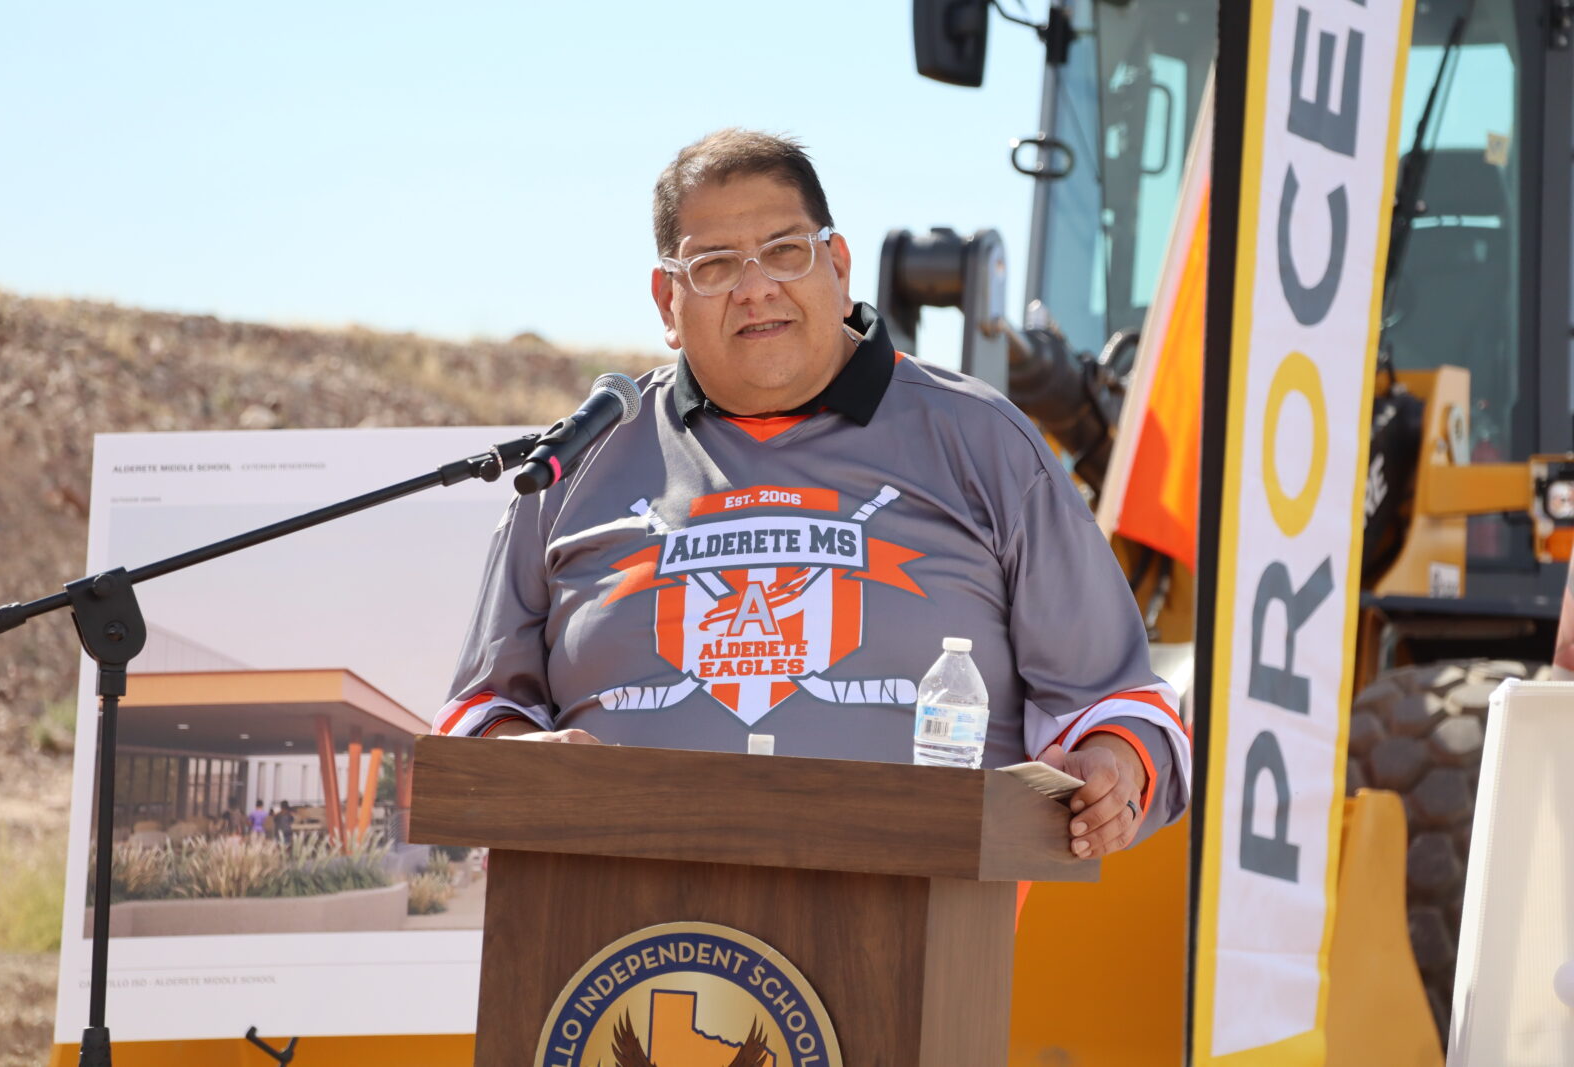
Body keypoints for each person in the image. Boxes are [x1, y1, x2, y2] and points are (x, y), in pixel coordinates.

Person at [436, 129, 1191, 859]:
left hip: (930, 927)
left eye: (785, 251)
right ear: (667, 301)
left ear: (838, 265)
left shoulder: (985, 443)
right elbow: (480, 711)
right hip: (623, 930)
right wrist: (519, 758)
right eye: (715, 265)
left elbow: (1120, 703)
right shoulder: (577, 463)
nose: (756, 287)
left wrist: (1116, 764)